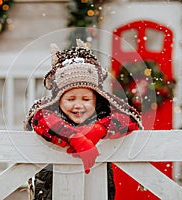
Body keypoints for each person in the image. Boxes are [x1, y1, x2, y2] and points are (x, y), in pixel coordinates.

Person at [24, 39, 143, 200]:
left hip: (98, 191)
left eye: (86, 99)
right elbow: (40, 120)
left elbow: (129, 119)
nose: (78, 105)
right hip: (51, 191)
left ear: (96, 99)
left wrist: (99, 129)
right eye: (71, 99)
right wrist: (74, 136)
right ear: (58, 100)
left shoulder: (102, 113)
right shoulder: (49, 113)